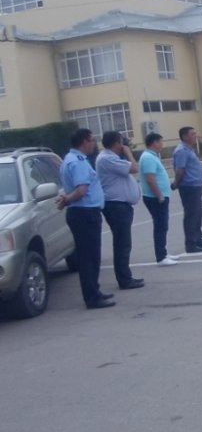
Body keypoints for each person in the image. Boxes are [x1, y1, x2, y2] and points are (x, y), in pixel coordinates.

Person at [57, 128, 114, 309]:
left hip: (82, 212)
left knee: (89, 256)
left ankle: (94, 291)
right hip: (85, 213)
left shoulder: (70, 159)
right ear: (84, 141)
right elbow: (81, 190)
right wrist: (67, 200)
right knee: (90, 257)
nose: (94, 143)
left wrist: (67, 199)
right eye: (92, 140)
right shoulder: (78, 162)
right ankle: (92, 297)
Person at [96, 131, 144, 290]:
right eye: (122, 142)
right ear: (116, 143)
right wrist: (128, 153)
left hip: (120, 205)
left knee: (123, 243)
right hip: (116, 206)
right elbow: (134, 168)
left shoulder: (111, 158)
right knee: (122, 244)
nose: (124, 144)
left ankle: (125, 276)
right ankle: (124, 279)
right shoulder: (107, 158)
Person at [172, 127, 202, 253]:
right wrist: (175, 183)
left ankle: (198, 239)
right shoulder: (182, 151)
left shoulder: (189, 149)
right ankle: (190, 244)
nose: (196, 136)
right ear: (184, 136)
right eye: (193, 134)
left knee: (197, 214)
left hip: (195, 186)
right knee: (191, 215)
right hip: (188, 187)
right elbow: (180, 170)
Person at [140, 133, 177, 266]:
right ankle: (161, 257)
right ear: (154, 142)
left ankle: (164, 252)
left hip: (158, 197)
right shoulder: (148, 157)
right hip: (155, 198)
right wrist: (159, 195)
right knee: (160, 226)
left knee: (163, 225)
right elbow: (150, 179)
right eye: (160, 142)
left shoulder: (152, 156)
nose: (162, 144)